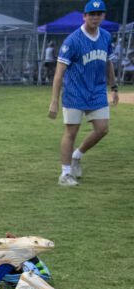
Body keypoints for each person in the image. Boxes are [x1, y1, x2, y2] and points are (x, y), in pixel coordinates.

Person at [48, 0, 119, 187]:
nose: (96, 17)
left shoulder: (105, 37)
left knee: (102, 129)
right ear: (84, 16)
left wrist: (114, 87)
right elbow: (59, 73)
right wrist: (54, 101)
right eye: (92, 14)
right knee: (71, 132)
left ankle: (76, 156)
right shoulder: (73, 40)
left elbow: (108, 63)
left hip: (96, 91)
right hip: (75, 93)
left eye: (99, 14)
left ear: (103, 16)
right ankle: (64, 175)